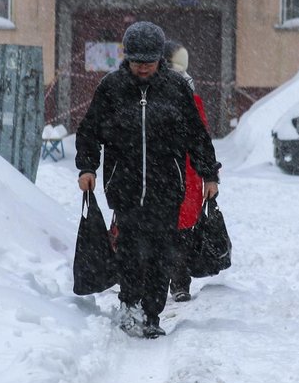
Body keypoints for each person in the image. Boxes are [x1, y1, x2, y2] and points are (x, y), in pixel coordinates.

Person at [75, 21, 220, 339]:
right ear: (127, 58)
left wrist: (209, 173)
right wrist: (87, 167)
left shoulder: (177, 89)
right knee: (129, 250)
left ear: (160, 60)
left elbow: (197, 136)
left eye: (149, 63)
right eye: (137, 62)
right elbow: (89, 131)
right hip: (124, 186)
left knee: (160, 253)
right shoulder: (111, 88)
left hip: (166, 187)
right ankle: (130, 306)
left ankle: (151, 315)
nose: (143, 69)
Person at [165, 40, 208, 303]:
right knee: (181, 230)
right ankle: (179, 282)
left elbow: (200, 137)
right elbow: (202, 135)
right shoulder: (191, 95)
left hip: (179, 170)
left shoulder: (151, 91)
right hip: (188, 171)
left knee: (169, 229)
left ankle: (173, 280)